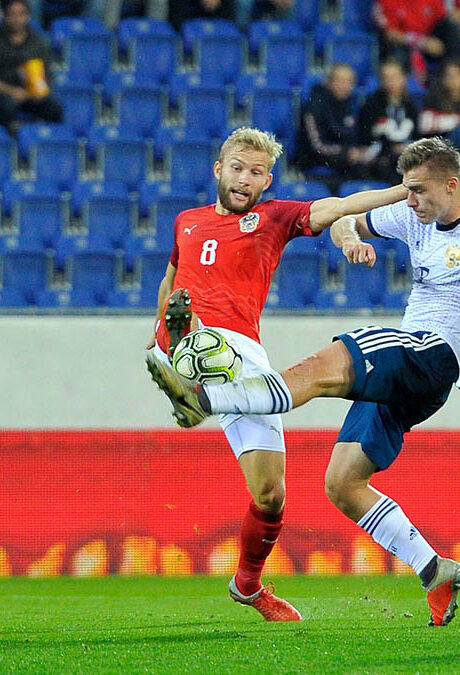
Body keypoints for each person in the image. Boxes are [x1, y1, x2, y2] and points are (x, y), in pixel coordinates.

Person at [146, 136, 460, 626]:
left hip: (429, 355)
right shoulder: (415, 216)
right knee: (342, 483)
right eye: (405, 191)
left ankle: (202, 398)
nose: (408, 200)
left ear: (452, 184)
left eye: (416, 191)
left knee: (314, 372)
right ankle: (434, 569)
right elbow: (346, 219)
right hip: (412, 379)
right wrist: (351, 239)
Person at [145, 126, 406, 623]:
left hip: (247, 357)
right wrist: (158, 330)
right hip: (193, 335)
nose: (246, 179)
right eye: (238, 168)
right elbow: (170, 278)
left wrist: (402, 190)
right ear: (219, 170)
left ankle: (247, 585)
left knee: (271, 494)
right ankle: (184, 353)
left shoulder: (274, 217)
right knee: (191, 324)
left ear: (268, 180)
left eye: (257, 172)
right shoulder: (187, 222)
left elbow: (339, 206)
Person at [297, 63, 372, 182]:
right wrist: (347, 153)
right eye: (339, 80)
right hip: (318, 162)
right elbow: (317, 146)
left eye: (348, 81)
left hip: (347, 162)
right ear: (329, 82)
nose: (344, 85)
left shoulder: (353, 105)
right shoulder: (315, 107)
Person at [0, 0, 63, 133]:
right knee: (6, 108)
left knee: (55, 109)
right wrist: (11, 91)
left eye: (21, 14)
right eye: (12, 14)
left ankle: (46, 139)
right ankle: (13, 144)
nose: (17, 19)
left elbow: (47, 73)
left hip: (32, 94)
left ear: (28, 16)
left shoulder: (38, 41)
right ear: (4, 16)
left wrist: (40, 91)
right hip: (5, 93)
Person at [358, 58, 419, 185]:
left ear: (403, 78)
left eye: (394, 77)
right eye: (385, 77)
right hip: (381, 159)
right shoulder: (371, 105)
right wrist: (390, 147)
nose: (390, 82)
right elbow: (365, 138)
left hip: (407, 156)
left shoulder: (412, 106)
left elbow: (417, 136)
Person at [373, 0, 460, 84]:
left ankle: (453, 73)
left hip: (432, 44)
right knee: (397, 49)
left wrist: (455, 16)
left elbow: (443, 20)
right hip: (405, 45)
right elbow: (390, 34)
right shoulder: (388, 1)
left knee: (451, 28)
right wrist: (422, 42)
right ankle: (407, 90)